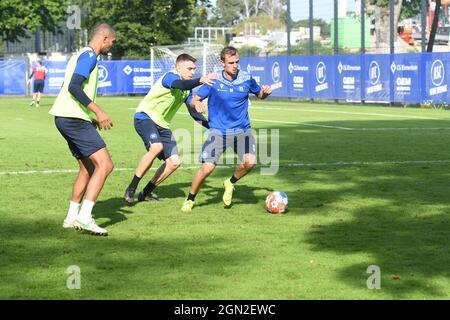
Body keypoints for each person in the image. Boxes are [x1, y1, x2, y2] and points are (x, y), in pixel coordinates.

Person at [181, 46, 272, 212]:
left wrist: (266, 92)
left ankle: (230, 182)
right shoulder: (214, 80)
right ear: (222, 63)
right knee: (207, 168)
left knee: (250, 162)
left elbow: (259, 94)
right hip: (218, 131)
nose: (235, 65)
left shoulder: (246, 78)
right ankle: (190, 199)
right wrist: (198, 103)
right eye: (231, 62)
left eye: (237, 62)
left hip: (242, 130)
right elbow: (194, 99)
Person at [49, 23, 116, 235]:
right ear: (104, 38)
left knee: (87, 168)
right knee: (105, 166)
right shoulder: (89, 57)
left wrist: (88, 117)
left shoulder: (79, 55)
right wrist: (98, 111)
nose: (112, 46)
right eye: (112, 41)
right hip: (72, 119)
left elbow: (68, 87)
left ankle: (71, 218)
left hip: (66, 117)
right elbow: (74, 86)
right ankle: (85, 217)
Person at [123, 54, 216, 204]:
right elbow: (180, 85)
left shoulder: (186, 91)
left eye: (194, 69)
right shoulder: (170, 77)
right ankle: (131, 189)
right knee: (156, 147)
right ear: (178, 67)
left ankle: (145, 193)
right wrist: (200, 80)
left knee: (174, 162)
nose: (192, 72)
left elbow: (194, 113)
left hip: (162, 125)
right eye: (189, 68)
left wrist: (211, 126)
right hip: (145, 117)